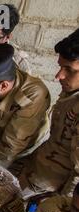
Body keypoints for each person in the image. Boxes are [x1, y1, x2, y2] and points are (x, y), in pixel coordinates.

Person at [16, 28, 79, 199]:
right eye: (60, 67)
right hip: (38, 174)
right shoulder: (72, 93)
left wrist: (62, 206)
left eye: (69, 69)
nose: (59, 76)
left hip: (50, 190)